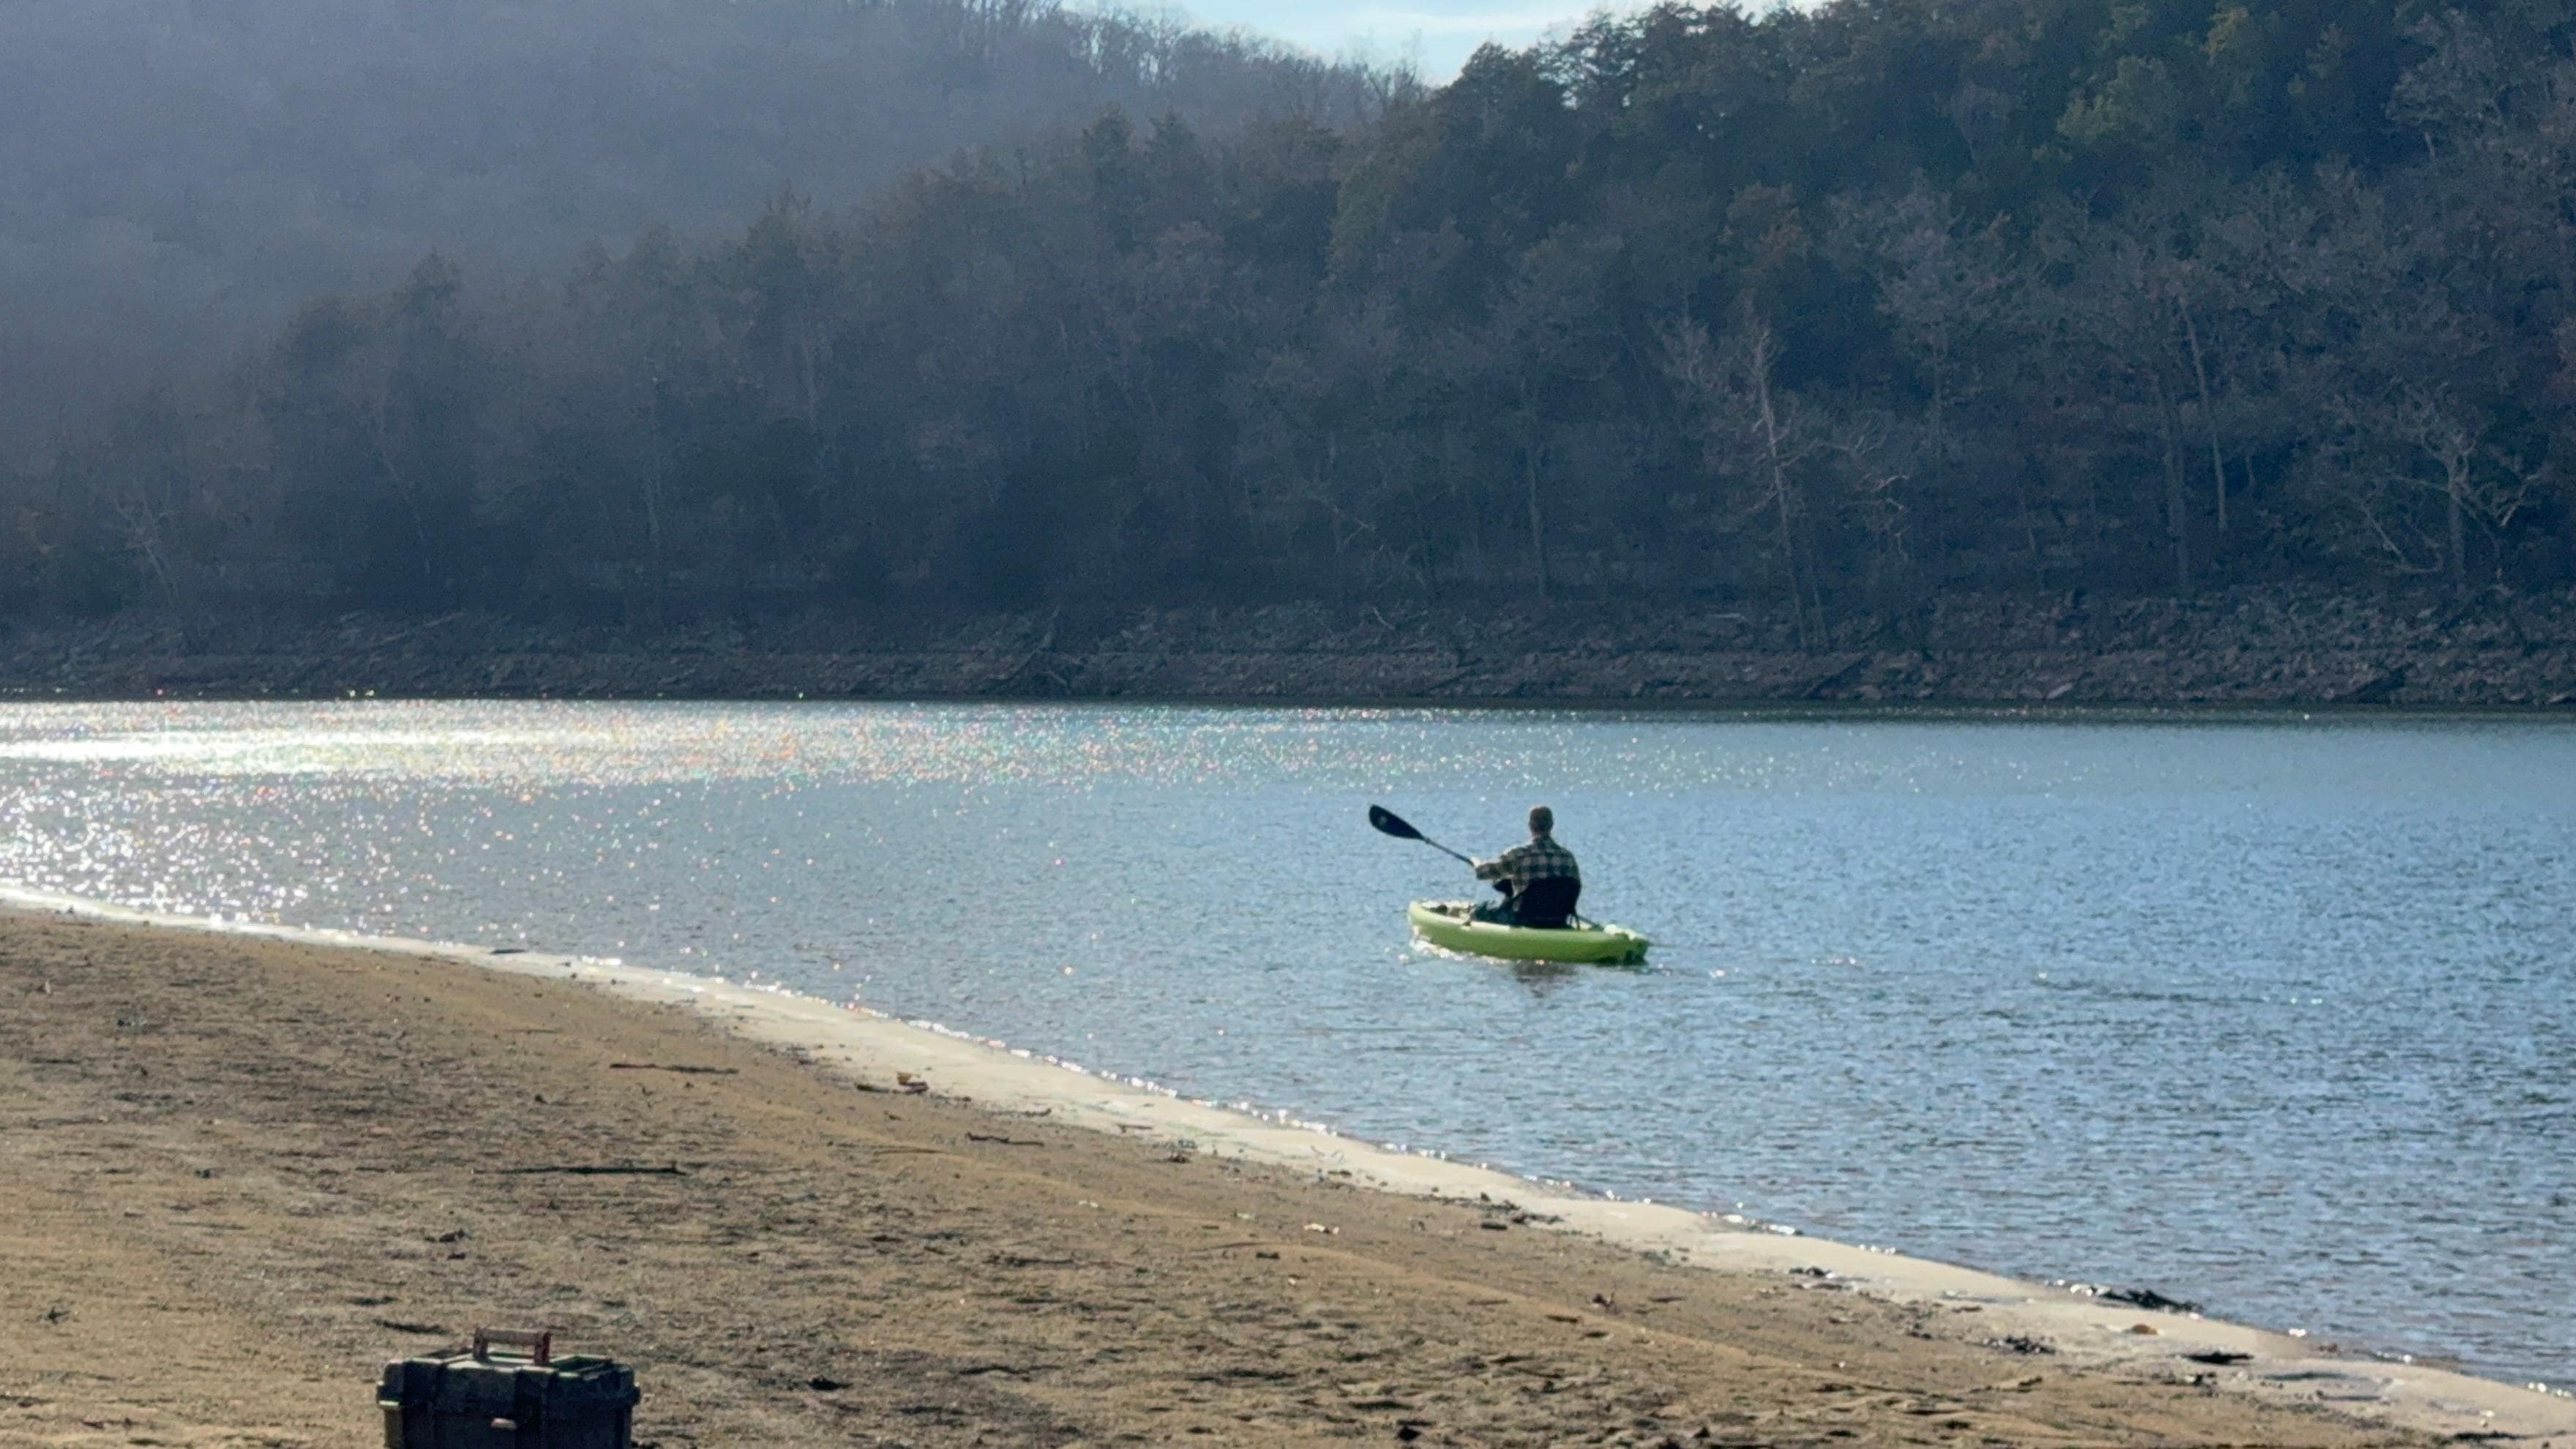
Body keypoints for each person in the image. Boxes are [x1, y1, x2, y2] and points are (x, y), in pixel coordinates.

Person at [1470, 805, 1581, 928]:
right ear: (1552, 825)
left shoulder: (1519, 854)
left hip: (1524, 919)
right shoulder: (1568, 857)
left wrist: (1476, 862)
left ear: (1530, 826)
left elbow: (1482, 873)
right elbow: (1575, 886)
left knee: (1479, 911)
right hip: (1558, 919)